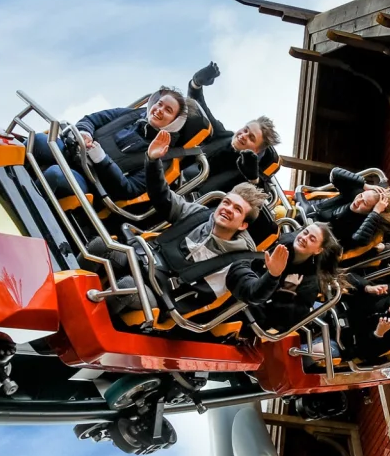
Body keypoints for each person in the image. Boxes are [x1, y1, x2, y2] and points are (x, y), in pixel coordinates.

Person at [83, 129, 287, 320]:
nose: (227, 209)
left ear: (243, 225)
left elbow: (252, 292)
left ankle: (86, 319)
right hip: (145, 261)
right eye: (226, 202)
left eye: (237, 210)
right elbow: (163, 198)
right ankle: (68, 288)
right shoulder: (198, 214)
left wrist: (273, 275)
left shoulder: (237, 261)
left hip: (165, 293)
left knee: (127, 287)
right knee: (100, 246)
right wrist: (153, 161)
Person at [32, 87, 190, 201]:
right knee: (39, 140)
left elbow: (130, 189)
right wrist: (85, 133)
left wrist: (102, 160)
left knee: (56, 174)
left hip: (92, 182)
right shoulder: (131, 115)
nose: (159, 110)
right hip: (74, 153)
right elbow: (92, 119)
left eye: (168, 110)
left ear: (174, 122)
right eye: (160, 104)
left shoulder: (160, 158)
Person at [228, 222, 343, 333]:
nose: (304, 238)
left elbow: (287, 321)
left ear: (318, 250)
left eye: (312, 239)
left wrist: (286, 293)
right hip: (240, 291)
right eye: (305, 232)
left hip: (255, 316)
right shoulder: (279, 243)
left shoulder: (310, 280)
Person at [186, 61, 281, 193]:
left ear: (257, 150)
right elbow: (199, 108)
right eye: (245, 130)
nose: (243, 135)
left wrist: (252, 180)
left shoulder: (254, 173)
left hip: (200, 204)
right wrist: (196, 83)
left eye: (251, 138)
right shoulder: (222, 134)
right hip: (179, 180)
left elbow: (258, 197)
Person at [305, 167, 390, 255]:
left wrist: (375, 213)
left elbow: (359, 240)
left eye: (365, 203)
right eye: (362, 196)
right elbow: (335, 173)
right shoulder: (355, 193)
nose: (358, 201)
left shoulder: (371, 226)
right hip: (308, 213)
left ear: (372, 211)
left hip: (315, 239)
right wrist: (364, 185)